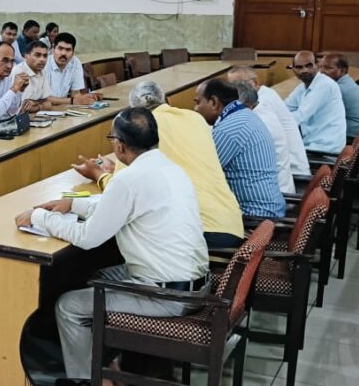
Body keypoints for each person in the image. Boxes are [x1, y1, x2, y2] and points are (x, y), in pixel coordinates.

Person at [15, 107, 209, 382]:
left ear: (119, 145)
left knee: (68, 305)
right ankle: (107, 363)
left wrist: (39, 217)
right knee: (94, 275)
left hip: (167, 296)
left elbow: (88, 238)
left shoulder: (129, 180)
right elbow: (116, 205)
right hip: (193, 285)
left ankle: (87, 380)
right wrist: (72, 203)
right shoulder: (171, 169)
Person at [73, 80, 244, 249]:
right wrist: (116, 166)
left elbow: (122, 191)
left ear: (134, 113)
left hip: (198, 232)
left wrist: (98, 174)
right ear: (167, 100)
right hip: (232, 224)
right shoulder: (195, 118)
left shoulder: (142, 130)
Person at [194, 78, 286, 219]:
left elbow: (201, 174)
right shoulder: (244, 115)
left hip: (254, 216)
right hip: (268, 209)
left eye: (197, 102)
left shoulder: (230, 129)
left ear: (213, 102)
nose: (195, 109)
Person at [227, 66, 310, 176]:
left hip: (293, 172)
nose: (235, 90)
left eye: (239, 84)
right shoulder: (266, 93)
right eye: (230, 86)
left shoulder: (261, 103)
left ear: (255, 82)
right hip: (283, 169)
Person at [235, 81, 295, 193]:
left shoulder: (255, 123)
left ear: (245, 104)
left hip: (274, 194)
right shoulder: (262, 110)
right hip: (276, 186)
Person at [285, 50, 347, 154]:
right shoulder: (302, 87)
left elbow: (301, 116)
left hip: (325, 150)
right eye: (299, 67)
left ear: (318, 65)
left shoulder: (324, 84)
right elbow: (284, 107)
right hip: (313, 145)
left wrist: (272, 123)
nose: (304, 70)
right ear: (293, 69)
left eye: (309, 65)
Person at [320, 52, 359, 138]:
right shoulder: (348, 81)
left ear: (342, 71)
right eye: (321, 67)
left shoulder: (340, 88)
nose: (322, 71)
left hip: (353, 135)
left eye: (328, 68)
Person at [45, 33, 100, 105]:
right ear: (53, 49)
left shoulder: (75, 63)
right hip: (43, 108)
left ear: (73, 53)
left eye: (68, 50)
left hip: (62, 107)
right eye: (60, 48)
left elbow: (75, 93)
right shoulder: (44, 64)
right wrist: (71, 101)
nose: (63, 53)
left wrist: (85, 98)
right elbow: (42, 99)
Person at [10, 40, 52, 113]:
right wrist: (41, 106)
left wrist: (34, 104)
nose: (42, 59)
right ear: (26, 56)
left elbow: (47, 101)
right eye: (37, 55)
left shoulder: (43, 71)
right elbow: (22, 108)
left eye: (45, 56)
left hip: (35, 115)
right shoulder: (18, 72)